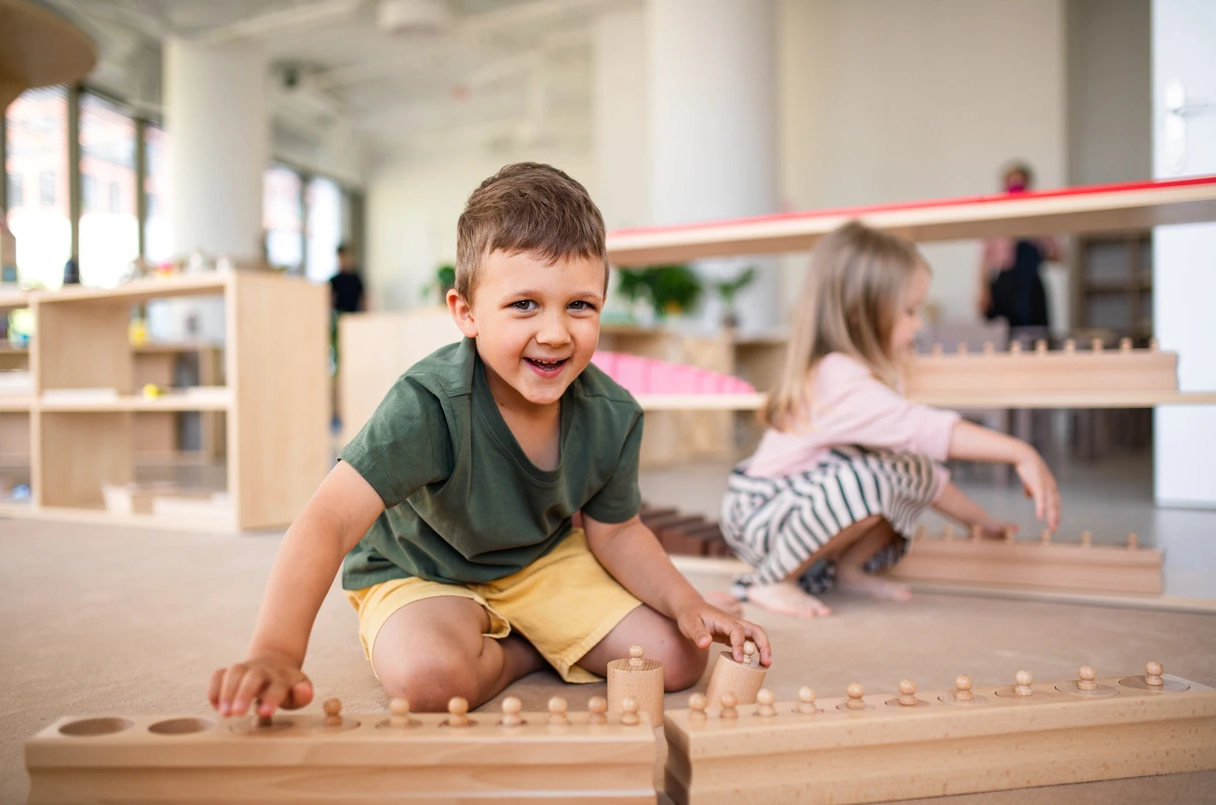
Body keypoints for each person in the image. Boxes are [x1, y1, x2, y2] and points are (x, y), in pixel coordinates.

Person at [210, 163, 769, 719]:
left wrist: (687, 602)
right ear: (466, 313)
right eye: (525, 304)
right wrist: (276, 651)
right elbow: (327, 519)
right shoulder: (428, 404)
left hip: (539, 563)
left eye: (579, 305)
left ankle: (527, 634)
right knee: (431, 683)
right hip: (419, 570)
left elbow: (618, 531)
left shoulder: (613, 415)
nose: (554, 333)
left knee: (676, 658)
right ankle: (521, 654)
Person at [719, 221, 1061, 619]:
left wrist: (980, 522)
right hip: (758, 514)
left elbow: (923, 471)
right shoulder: (838, 378)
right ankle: (771, 580)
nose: (918, 323)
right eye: (910, 311)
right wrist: (1020, 452)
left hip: (795, 509)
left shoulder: (869, 377)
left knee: (903, 468)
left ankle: (848, 570)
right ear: (862, 313)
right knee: (871, 480)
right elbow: (927, 430)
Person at [978, 162, 1061, 341]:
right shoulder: (995, 215)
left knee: (1038, 335)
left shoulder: (1040, 216)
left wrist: (1038, 239)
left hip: (1031, 284)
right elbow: (985, 260)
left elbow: (1059, 257)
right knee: (1006, 335)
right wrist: (983, 291)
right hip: (1006, 283)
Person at [329, 244, 366, 315]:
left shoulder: (356, 278)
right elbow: (330, 301)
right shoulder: (334, 280)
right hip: (339, 315)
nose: (343, 260)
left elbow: (363, 299)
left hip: (354, 315)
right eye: (341, 257)